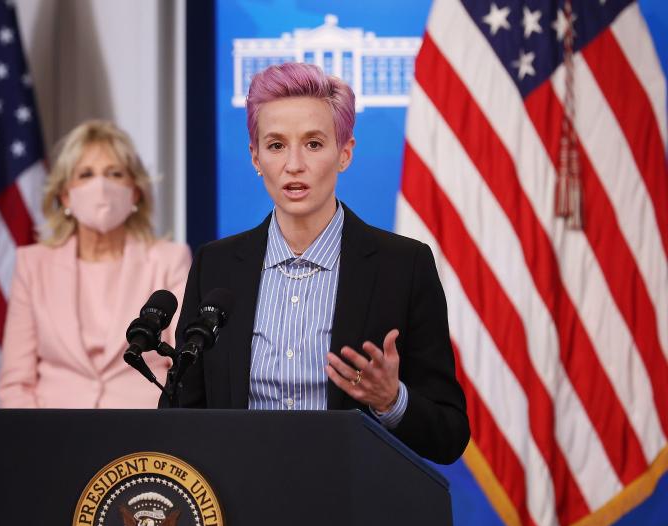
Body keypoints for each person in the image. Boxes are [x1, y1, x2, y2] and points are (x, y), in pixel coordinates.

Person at [172, 62, 469, 464]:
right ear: (255, 157)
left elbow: (449, 436)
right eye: (276, 145)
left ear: (344, 153)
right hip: (241, 504)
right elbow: (181, 415)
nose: (294, 164)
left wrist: (391, 400)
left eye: (313, 144)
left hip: (352, 509)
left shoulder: (404, 266)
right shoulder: (216, 266)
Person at [0, 120, 191, 409]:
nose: (101, 187)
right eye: (86, 175)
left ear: (135, 192)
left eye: (114, 174)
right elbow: (16, 383)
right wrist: (34, 444)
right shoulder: (33, 264)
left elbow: (185, 367)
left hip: (145, 437)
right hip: (53, 436)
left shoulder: (170, 260)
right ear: (64, 195)